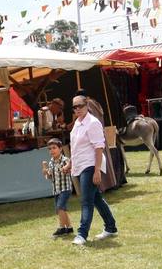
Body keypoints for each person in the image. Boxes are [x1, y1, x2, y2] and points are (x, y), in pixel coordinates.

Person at [69, 94, 118, 246]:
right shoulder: (77, 122)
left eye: (80, 106)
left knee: (86, 201)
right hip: (80, 165)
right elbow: (76, 147)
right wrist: (70, 163)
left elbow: (99, 148)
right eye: (74, 107)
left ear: (87, 105)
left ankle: (82, 234)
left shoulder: (93, 123)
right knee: (96, 198)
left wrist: (97, 170)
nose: (77, 109)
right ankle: (111, 227)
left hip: (90, 165)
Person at [42, 137, 74, 238]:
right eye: (50, 149)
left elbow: (69, 170)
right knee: (62, 209)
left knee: (60, 208)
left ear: (60, 149)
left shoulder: (65, 160)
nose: (52, 150)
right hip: (56, 190)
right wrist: (45, 172)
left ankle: (61, 228)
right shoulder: (51, 162)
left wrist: (66, 169)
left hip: (65, 188)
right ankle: (69, 227)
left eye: (54, 148)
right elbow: (50, 177)